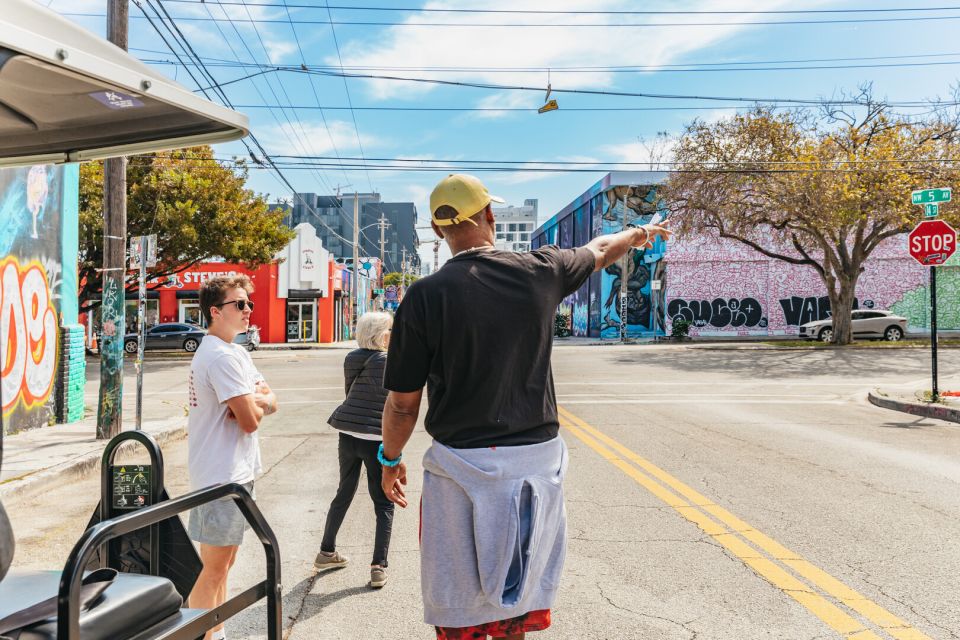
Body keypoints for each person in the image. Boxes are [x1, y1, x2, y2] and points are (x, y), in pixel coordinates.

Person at [379, 174, 671, 640]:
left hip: (460, 466)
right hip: (535, 467)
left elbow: (401, 406)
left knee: (461, 611)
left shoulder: (424, 296)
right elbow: (599, 249)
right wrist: (638, 234)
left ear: (438, 231)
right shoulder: (542, 270)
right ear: (490, 216)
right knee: (520, 606)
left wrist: (389, 459)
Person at [186, 275, 277, 640]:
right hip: (220, 477)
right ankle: (194, 632)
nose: (247, 311)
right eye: (239, 304)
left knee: (224, 565)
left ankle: (215, 632)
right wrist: (253, 404)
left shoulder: (236, 352)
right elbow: (252, 421)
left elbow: (270, 399)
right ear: (214, 311)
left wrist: (254, 400)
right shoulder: (219, 357)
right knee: (214, 569)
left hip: (234, 475)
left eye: (248, 304)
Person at [314, 311, 395, 589]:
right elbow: (395, 404)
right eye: (390, 330)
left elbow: (350, 392)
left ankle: (326, 551)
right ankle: (378, 566)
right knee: (383, 502)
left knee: (344, 492)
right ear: (381, 334)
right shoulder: (388, 360)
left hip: (347, 432)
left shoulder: (351, 358)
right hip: (374, 437)